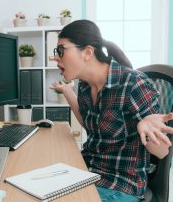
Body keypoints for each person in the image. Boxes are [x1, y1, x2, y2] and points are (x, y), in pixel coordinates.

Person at [50, 19, 173, 201]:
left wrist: (146, 128)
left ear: (88, 52)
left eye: (61, 50)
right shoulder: (84, 86)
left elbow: (162, 152)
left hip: (121, 183)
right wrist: (68, 92)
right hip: (87, 171)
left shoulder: (133, 84)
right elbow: (90, 125)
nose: (55, 57)